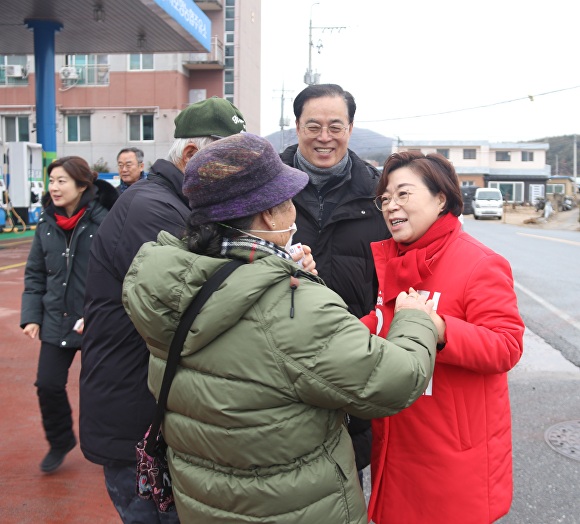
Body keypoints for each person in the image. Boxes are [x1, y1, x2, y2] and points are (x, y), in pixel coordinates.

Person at [121, 133, 438, 524]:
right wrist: (414, 320)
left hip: (204, 499)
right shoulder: (292, 306)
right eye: (289, 202)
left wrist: (279, 271)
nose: (294, 214)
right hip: (292, 506)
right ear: (270, 214)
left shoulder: (171, 279)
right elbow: (396, 380)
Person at [79, 97, 247, 523]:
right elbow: (198, 305)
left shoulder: (178, 203)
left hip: (149, 407)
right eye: (232, 167)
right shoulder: (152, 209)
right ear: (191, 156)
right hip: (135, 417)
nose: (240, 181)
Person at [363, 151, 525, 524]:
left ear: (441, 199)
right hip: (399, 436)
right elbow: (382, 321)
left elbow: (507, 345)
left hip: (453, 453)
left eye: (404, 194)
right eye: (385, 198)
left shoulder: (480, 263)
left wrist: (438, 328)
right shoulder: (398, 261)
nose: (391, 206)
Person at [280, 83, 388, 478]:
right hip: (280, 361)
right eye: (313, 126)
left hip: (352, 361)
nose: (324, 138)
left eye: (335, 126)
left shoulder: (379, 194)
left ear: (351, 128)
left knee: (346, 481)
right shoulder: (265, 189)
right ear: (296, 127)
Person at [20, 156, 117, 473]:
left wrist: (98, 313)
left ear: (81, 184)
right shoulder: (46, 224)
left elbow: (117, 273)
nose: (54, 187)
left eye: (62, 180)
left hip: (94, 319)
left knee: (102, 388)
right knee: (47, 384)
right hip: (55, 318)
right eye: (52, 181)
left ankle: (108, 447)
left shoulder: (104, 222)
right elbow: (35, 274)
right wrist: (32, 316)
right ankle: (60, 441)